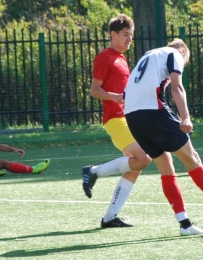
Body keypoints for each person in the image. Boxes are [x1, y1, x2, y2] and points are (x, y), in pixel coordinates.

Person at [123, 38, 203, 236]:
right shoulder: (174, 53)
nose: (184, 64)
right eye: (186, 62)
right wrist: (185, 117)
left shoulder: (149, 55)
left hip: (131, 116)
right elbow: (176, 86)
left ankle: (184, 224)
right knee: (191, 157)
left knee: (166, 165)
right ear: (183, 51)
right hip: (153, 110)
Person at [82, 14, 151, 228]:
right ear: (113, 34)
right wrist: (113, 96)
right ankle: (93, 171)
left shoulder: (122, 58)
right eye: (125, 34)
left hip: (127, 118)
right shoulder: (105, 57)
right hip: (114, 118)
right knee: (143, 158)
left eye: (131, 35)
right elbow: (94, 90)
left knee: (137, 165)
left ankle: (110, 217)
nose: (129, 39)